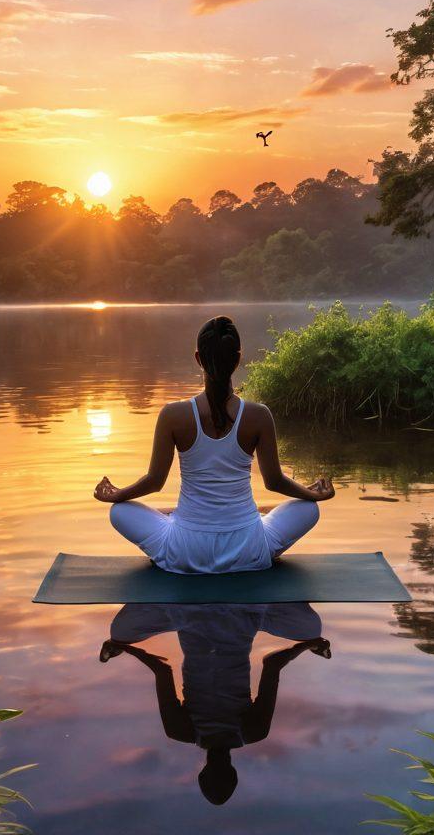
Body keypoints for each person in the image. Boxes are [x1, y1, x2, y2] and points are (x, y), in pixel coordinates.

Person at [94, 315, 334, 574]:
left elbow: (155, 482)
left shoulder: (173, 415)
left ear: (198, 359)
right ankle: (230, 525)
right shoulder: (259, 415)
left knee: (119, 512)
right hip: (248, 550)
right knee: (309, 509)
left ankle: (172, 520)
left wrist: (117, 495)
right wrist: (313, 494)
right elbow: (274, 481)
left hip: (185, 551)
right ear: (238, 359)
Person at [100, 602, 330, 805]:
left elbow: (272, 664)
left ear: (233, 773)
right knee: (119, 632)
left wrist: (308, 644)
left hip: (234, 617)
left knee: (311, 629)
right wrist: (125, 647)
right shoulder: (180, 731)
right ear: (204, 773)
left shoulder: (252, 732)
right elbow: (162, 670)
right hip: (196, 616)